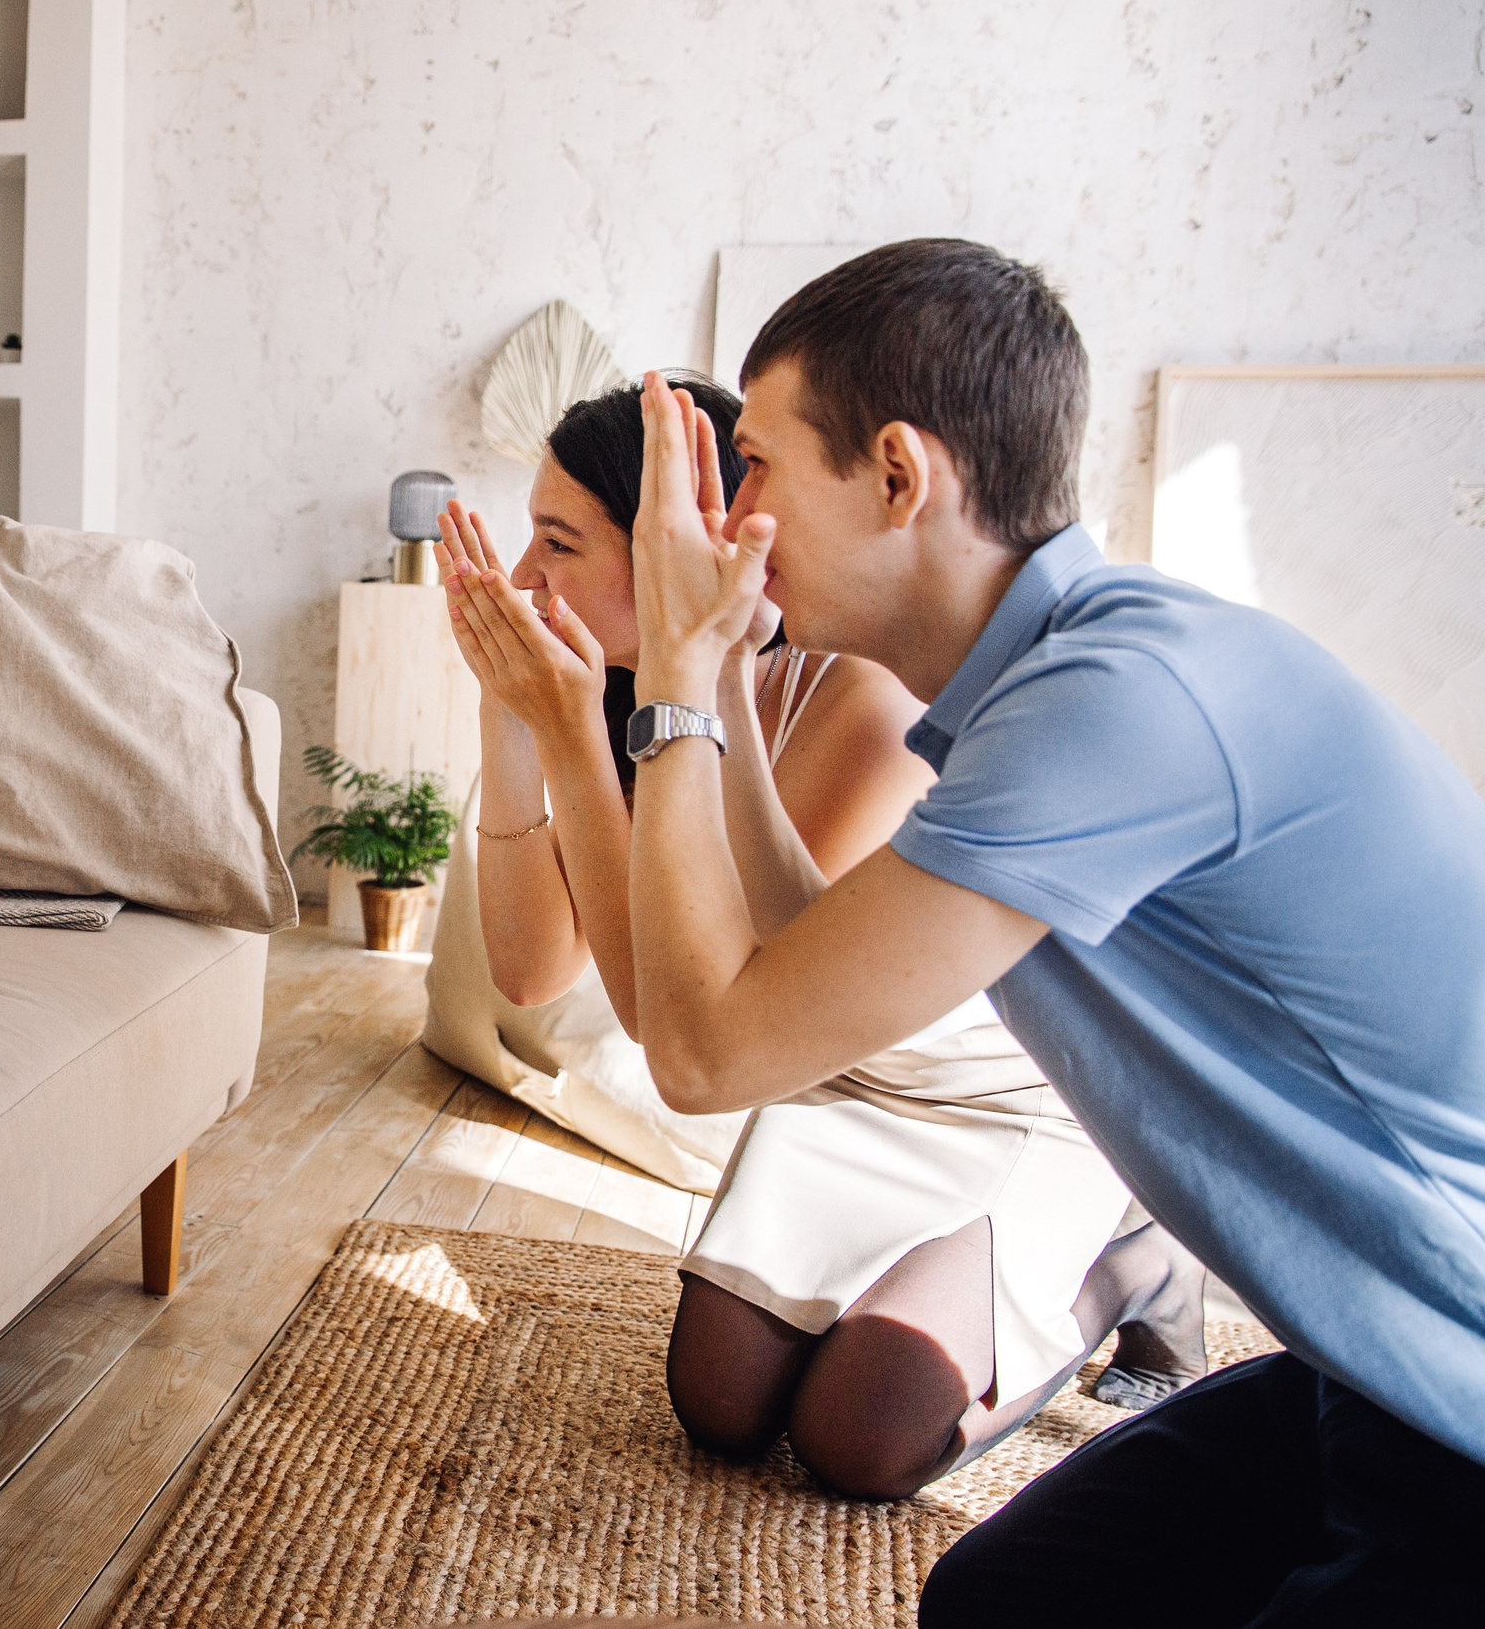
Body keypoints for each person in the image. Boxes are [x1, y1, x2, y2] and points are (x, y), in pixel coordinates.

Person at [592, 239, 1477, 1621]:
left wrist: (677, 674)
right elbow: (794, 959)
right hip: (1356, 1366)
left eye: (753, 462)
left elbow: (708, 1053)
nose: (730, 510)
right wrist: (704, 674)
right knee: (994, 1601)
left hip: (1457, 1393)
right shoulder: (1058, 683)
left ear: (898, 474)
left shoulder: (1118, 705)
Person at [438, 378, 1201, 1503]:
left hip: (996, 1097)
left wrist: (566, 731)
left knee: (860, 1439)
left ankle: (1134, 1260)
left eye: (555, 541)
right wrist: (516, 719)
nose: (521, 580)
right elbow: (530, 972)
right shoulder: (635, 699)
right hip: (840, 1088)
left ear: (664, 549)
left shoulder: (858, 703)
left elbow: (683, 1029)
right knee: (721, 1404)